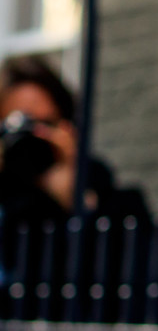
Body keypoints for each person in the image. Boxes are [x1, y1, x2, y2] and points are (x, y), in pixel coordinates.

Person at [0, 54, 150, 227]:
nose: (36, 134)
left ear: (68, 126)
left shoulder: (105, 192)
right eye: (20, 126)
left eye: (46, 123)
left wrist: (77, 199)